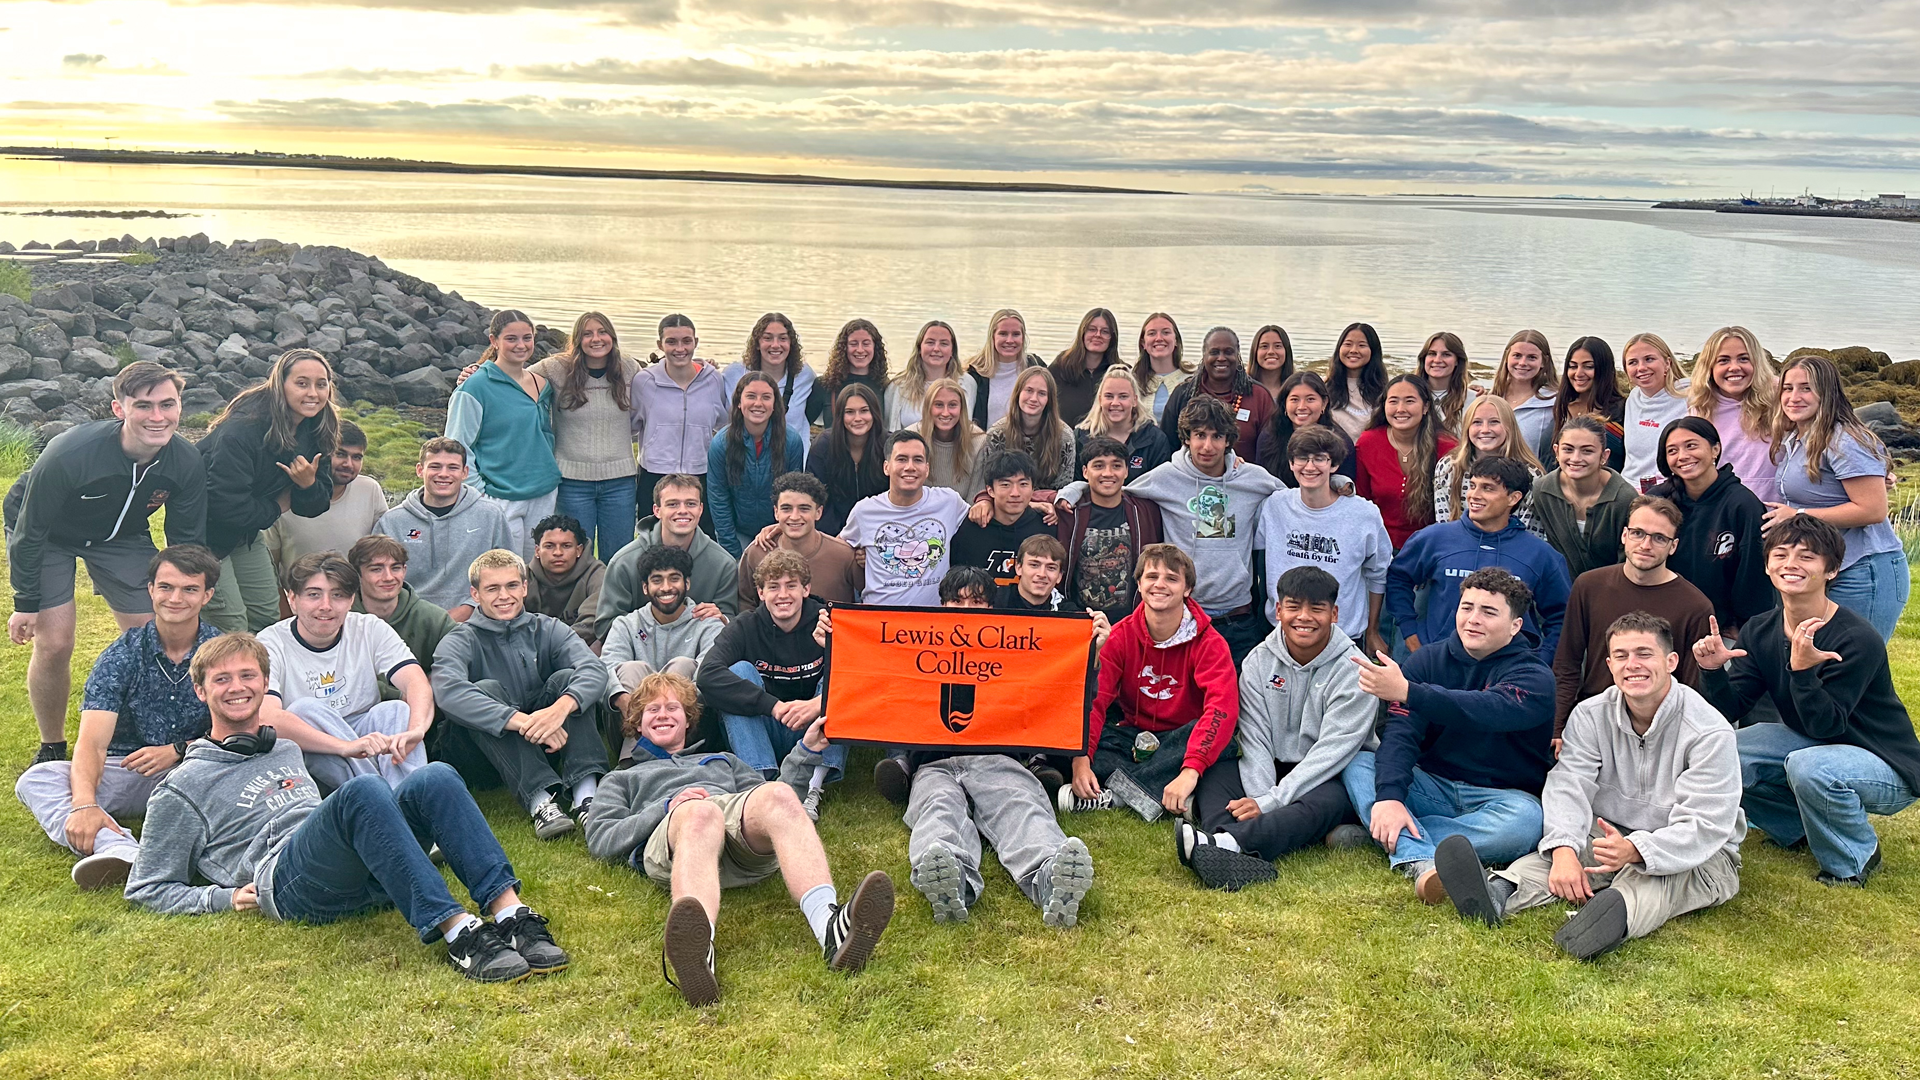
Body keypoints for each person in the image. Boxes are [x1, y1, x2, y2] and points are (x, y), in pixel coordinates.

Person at [126, 633, 570, 984]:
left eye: (248, 676)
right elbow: (146, 886)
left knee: (434, 777)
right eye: (222, 680)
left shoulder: (282, 748)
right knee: (364, 792)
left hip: (361, 872)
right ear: (201, 691)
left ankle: (511, 913)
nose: (237, 687)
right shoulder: (183, 784)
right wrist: (219, 898)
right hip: (290, 884)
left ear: (265, 684)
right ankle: (459, 933)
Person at [1433, 612, 1744, 960]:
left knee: (1659, 879)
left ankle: (1613, 916)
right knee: (1558, 858)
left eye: (1644, 654)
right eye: (1622, 656)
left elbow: (1705, 824)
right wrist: (1564, 849)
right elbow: (1569, 784)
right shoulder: (1590, 715)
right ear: (1609, 665)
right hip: (1608, 833)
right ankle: (1499, 892)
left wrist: (1638, 850)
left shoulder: (1709, 731)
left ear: (1671, 661)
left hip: (1698, 851)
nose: (1632, 665)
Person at [583, 671, 895, 1006]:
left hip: (737, 837)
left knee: (777, 796)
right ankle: (699, 952)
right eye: (652, 709)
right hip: (677, 837)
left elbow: (772, 804)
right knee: (701, 813)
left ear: (688, 720)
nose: (662, 714)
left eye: (672, 708)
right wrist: (665, 807)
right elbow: (601, 837)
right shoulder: (623, 777)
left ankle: (830, 927)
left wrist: (806, 749)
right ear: (637, 724)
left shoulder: (724, 761)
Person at [1696, 515, 1920, 886]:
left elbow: (1827, 724)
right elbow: (1730, 710)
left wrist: (1801, 672)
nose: (1791, 565)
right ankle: (1799, 828)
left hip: (1883, 760)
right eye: (1780, 554)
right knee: (1722, 751)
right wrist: (1712, 671)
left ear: (1831, 570)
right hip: (1815, 743)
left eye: (1807, 557)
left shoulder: (1855, 638)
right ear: (1767, 565)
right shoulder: (1761, 629)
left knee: (1810, 767)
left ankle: (1854, 861)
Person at [6, 362, 205, 766]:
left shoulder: (185, 461)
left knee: (156, 636)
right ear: (119, 409)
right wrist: (26, 601)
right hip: (50, 536)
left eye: (167, 404)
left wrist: (187, 591)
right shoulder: (71, 452)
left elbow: (186, 542)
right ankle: (52, 746)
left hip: (120, 536)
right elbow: (30, 531)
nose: (157, 417)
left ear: (180, 406)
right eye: (144, 406)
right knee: (56, 641)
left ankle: (148, 735)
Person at [1342, 568, 1556, 904]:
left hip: (1501, 798)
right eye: (1466, 607)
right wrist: (1390, 797)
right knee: (1359, 763)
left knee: (1528, 821)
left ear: (1515, 625)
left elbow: (1484, 710)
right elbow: (1401, 734)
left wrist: (1410, 692)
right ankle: (1416, 854)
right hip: (1431, 785)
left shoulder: (1535, 677)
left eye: (1488, 612)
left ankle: (1391, 838)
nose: (1473, 619)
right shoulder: (1427, 660)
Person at [15, 545, 221, 890]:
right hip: (131, 770)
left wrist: (179, 750)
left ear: (207, 595)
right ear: (151, 590)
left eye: (189, 589)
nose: (175, 598)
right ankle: (121, 851)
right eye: (166, 587)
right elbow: (93, 743)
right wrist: (83, 805)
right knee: (37, 780)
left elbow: (243, 731)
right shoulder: (123, 654)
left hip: (199, 769)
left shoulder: (222, 651)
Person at [902, 566, 1097, 927]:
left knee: (1020, 803)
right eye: (956, 601)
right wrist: (835, 642)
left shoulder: (1015, 650)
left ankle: (1052, 876)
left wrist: (1090, 652)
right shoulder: (913, 644)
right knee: (936, 809)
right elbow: (873, 675)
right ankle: (950, 880)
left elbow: (1063, 692)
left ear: (992, 608)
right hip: (933, 761)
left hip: (997, 755)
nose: (966, 609)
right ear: (942, 606)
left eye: (977, 601)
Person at [1177, 567, 1374, 890]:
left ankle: (1225, 843)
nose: (1304, 617)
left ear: (1334, 614)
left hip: (1328, 773)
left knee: (1327, 802)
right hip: (1272, 767)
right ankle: (1233, 847)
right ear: (1278, 610)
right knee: (1216, 775)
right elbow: (1254, 737)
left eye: (1317, 608)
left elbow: (1332, 752)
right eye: (1294, 606)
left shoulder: (1355, 670)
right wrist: (1261, 797)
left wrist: (1271, 802)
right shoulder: (1258, 661)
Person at [1067, 395, 1278, 667]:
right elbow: (1113, 487)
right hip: (1183, 614)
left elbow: (1297, 497)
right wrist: (1074, 489)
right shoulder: (1165, 476)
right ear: (1186, 437)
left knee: (1236, 704)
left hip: (1239, 618)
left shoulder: (1253, 478)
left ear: (1228, 440)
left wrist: (1338, 481)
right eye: (1199, 435)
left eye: (1217, 437)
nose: (1207, 445)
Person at [431, 549, 609, 839]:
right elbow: (449, 693)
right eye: (492, 588)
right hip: (481, 756)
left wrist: (559, 709)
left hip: (546, 745)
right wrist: (522, 721)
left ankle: (587, 797)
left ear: (524, 587)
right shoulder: (459, 639)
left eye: (512, 586)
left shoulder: (548, 627)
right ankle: (542, 804)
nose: (504, 596)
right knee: (485, 690)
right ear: (475, 594)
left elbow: (593, 668)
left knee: (568, 680)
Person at [1065, 544, 1238, 821]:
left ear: (1187, 589)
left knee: (1220, 740)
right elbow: (1096, 700)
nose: (1160, 585)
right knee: (1084, 746)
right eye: (1151, 576)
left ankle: (1122, 794)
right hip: (1135, 738)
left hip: (1181, 738)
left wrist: (1190, 769)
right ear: (1139, 583)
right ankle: (1162, 791)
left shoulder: (1210, 642)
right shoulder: (1120, 635)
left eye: (1171, 578)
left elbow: (1221, 708)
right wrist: (1081, 760)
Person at [256, 552, 432, 793]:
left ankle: (411, 794)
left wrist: (417, 730)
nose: (326, 606)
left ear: (351, 601)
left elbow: (416, 682)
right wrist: (344, 746)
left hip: (364, 730)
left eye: (337, 595)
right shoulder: (270, 642)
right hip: (313, 745)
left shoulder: (369, 627)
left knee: (396, 709)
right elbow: (268, 717)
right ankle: (384, 796)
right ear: (292, 599)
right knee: (304, 709)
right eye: (313, 595)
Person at [1767, 353, 1908, 640]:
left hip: (1863, 570)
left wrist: (1798, 516)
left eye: (1806, 388)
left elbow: (1872, 510)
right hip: (1824, 568)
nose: (1794, 396)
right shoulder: (1796, 438)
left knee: (1855, 665)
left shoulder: (1844, 439)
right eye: (1788, 388)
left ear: (1827, 392)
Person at [695, 551, 844, 820]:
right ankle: (759, 784)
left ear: (806, 589)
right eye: (773, 587)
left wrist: (817, 704)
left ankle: (812, 787)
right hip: (766, 725)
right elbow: (707, 675)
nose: (782, 595)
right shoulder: (746, 626)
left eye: (791, 585)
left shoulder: (828, 622)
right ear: (761, 593)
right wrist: (772, 706)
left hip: (811, 727)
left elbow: (862, 680)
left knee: (835, 685)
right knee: (738, 672)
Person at [1552, 497, 1714, 742]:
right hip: (1594, 719)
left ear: (1673, 546)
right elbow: (1567, 663)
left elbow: (1691, 689)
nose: (1646, 545)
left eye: (1659, 538)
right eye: (1638, 533)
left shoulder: (1696, 606)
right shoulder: (1588, 586)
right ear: (1624, 535)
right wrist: (1558, 727)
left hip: (1658, 728)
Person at [198, 348, 338, 633]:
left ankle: (264, 677)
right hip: (202, 537)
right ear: (280, 385)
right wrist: (277, 506)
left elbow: (315, 504)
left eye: (321, 384)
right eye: (302, 383)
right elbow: (224, 506)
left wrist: (307, 485)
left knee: (266, 617)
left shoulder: (317, 429)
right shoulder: (242, 430)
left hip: (246, 534)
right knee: (231, 624)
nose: (313, 393)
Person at [1385, 456, 1570, 664]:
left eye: (1487, 488)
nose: (1474, 495)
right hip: (1440, 668)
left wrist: (1539, 661)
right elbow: (1398, 578)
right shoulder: (1434, 538)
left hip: (1507, 675)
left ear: (1513, 498)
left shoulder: (1540, 554)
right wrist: (1411, 635)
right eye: (1472, 485)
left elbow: (1562, 616)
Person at [1254, 426, 1391, 658]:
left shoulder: (1364, 514)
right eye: (1302, 458)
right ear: (1291, 463)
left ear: (1334, 465)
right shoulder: (1273, 506)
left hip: (1344, 638)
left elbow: (1377, 574)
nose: (1309, 467)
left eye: (1319, 459)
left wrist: (1373, 631)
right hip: (1283, 636)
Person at [446, 309, 561, 557]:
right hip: (502, 496)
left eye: (527, 338)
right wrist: (480, 496)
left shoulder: (542, 384)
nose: (521, 345)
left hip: (545, 493)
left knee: (538, 573)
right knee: (507, 573)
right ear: (494, 341)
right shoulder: (475, 387)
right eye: (511, 338)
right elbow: (457, 446)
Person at [1646, 417, 1774, 637]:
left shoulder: (1743, 505)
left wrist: (1745, 625)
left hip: (1722, 629)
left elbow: (1753, 574)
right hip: (1661, 621)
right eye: (1672, 450)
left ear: (1715, 449)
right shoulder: (1657, 501)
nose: (1683, 456)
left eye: (1691, 446)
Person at [531, 311, 642, 560]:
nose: (596, 339)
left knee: (618, 557)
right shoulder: (555, 368)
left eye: (602, 332)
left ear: (612, 336)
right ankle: (581, 600)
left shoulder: (629, 368)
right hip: (572, 483)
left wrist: (701, 367)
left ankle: (615, 600)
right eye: (588, 334)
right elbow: (513, 377)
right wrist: (475, 371)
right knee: (575, 556)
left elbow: (663, 381)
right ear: (577, 339)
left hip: (620, 483)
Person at [603, 544, 726, 763]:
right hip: (632, 722)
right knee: (631, 669)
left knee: (683, 666)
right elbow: (606, 668)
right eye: (657, 580)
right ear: (645, 587)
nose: (666, 587)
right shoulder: (626, 624)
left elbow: (712, 673)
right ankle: (638, 759)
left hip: (691, 729)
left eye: (674, 578)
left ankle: (658, 761)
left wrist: (666, 708)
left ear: (687, 583)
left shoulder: (707, 622)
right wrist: (625, 700)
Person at [375, 438, 513, 622]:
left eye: (453, 468)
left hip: (476, 619)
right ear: (419, 470)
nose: (443, 474)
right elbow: (375, 578)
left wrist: (471, 608)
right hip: (408, 619)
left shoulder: (490, 515)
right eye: (435, 466)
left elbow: (508, 572)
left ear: (465, 472)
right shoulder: (392, 522)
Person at [596, 474, 740, 641]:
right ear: (657, 510)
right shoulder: (624, 562)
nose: (683, 511)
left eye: (691, 504)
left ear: (701, 509)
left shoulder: (723, 564)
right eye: (672, 504)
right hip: (638, 656)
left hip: (698, 654)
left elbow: (730, 622)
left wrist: (721, 618)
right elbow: (605, 625)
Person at [840, 431, 972, 608]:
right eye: (901, 459)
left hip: (933, 623)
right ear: (886, 467)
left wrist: (984, 500)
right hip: (878, 621)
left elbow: (981, 519)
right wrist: (858, 558)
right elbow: (836, 552)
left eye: (917, 460)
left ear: (927, 468)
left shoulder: (949, 502)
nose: (910, 467)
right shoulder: (864, 511)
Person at [630, 313, 728, 535]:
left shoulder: (713, 380)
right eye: (671, 342)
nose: (680, 348)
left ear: (696, 342)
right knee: (652, 542)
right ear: (660, 345)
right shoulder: (644, 381)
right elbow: (632, 424)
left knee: (700, 542)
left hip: (700, 472)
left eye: (686, 341)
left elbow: (723, 422)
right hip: (655, 473)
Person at [1055, 435, 1164, 624]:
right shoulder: (1069, 510)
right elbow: (1025, 498)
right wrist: (985, 499)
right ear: (1085, 472)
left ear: (1126, 471)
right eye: (1098, 466)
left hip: (1131, 622)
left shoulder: (1146, 510)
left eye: (1116, 465)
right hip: (1079, 621)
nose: (1108, 473)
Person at [261, 419, 388, 576]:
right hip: (300, 597)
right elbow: (268, 568)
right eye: (340, 454)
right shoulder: (282, 498)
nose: (348, 464)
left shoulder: (370, 489)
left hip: (355, 597)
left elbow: (383, 554)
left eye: (357, 457)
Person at [346, 535, 456, 706]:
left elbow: (459, 662)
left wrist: (425, 688)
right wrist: (397, 696)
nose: (388, 577)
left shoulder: (434, 618)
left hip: (427, 708)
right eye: (376, 569)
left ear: (404, 570)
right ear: (357, 574)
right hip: (356, 711)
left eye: (395, 568)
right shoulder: (340, 621)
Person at [1352, 373, 1458, 550]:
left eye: (1409, 401)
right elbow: (1360, 502)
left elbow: (1454, 511)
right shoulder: (1368, 442)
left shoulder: (1449, 449)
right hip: (1379, 546)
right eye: (1393, 401)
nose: (1400, 409)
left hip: (1431, 548)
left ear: (1425, 407)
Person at [709, 371, 807, 558]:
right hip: (738, 532)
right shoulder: (721, 444)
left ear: (774, 405)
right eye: (751, 396)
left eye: (766, 397)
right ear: (739, 402)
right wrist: (733, 550)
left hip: (778, 531)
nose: (758, 403)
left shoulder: (792, 441)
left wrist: (780, 533)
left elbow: (794, 495)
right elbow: (718, 498)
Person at [1531, 416, 1639, 579]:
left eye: (1587, 451)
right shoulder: (1543, 491)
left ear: (1604, 456)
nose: (1575, 458)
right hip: (1564, 590)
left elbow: (1628, 561)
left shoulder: (1625, 499)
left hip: (1612, 590)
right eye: (1568, 449)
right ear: (1556, 451)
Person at [737, 472, 864, 610]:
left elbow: (871, 597)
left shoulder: (844, 555)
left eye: (804, 508)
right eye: (786, 509)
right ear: (776, 512)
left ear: (818, 512)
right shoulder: (757, 552)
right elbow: (745, 604)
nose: (795, 516)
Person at [1689, 326, 1780, 502]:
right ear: (1710, 367)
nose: (1734, 367)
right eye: (1723, 360)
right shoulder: (1701, 405)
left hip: (1776, 510)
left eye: (1743, 359)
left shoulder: (1780, 395)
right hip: (1725, 507)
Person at [1432, 395, 1545, 537]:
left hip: (1511, 551)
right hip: (1459, 548)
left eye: (1494, 422)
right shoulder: (1448, 466)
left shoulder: (1531, 475)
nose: (1485, 429)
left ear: (1509, 427)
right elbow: (1444, 525)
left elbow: (1531, 532)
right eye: (1477, 422)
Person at [1160, 326, 1276, 465]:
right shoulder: (1184, 393)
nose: (1221, 358)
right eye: (1214, 352)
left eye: (1228, 352)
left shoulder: (1259, 396)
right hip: (1189, 480)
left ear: (1238, 355)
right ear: (1204, 356)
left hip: (1244, 481)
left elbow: (1271, 451)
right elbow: (1167, 446)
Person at [953, 450, 1056, 589]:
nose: (1015, 493)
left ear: (1033, 489)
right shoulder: (970, 526)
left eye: (1023, 484)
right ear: (990, 490)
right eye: (1005, 485)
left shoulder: (1047, 525)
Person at [979, 366, 1076, 494]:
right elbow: (989, 483)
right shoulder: (996, 434)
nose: (1034, 399)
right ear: (1018, 393)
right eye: (1029, 390)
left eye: (1041, 393)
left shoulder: (1064, 437)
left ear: (1049, 400)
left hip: (1049, 507)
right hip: (1006, 503)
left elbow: (1064, 488)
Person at [807, 383, 888, 536]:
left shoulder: (889, 445)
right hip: (833, 535)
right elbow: (815, 497)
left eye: (864, 411)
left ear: (875, 413)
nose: (858, 418)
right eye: (850, 412)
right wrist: (841, 539)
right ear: (840, 416)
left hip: (880, 533)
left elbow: (894, 497)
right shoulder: (823, 446)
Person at [1256, 370, 1357, 488]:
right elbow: (1261, 481)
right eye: (1294, 399)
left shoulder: (1341, 442)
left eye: (1310, 399)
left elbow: (1345, 487)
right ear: (1284, 404)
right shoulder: (1268, 437)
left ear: (1324, 403)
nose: (1302, 407)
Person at [1074, 364, 1171, 484]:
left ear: (1135, 400)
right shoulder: (1081, 437)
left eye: (1123, 396)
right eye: (1109, 396)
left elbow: (1161, 487)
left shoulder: (1155, 439)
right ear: (1100, 400)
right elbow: (1074, 484)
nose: (1115, 403)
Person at [722, 312, 815, 436]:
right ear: (757, 344)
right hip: (743, 452)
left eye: (783, 338)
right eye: (768, 338)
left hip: (793, 453)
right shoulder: (733, 374)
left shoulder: (804, 375)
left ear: (791, 343)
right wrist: (702, 366)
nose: (775, 345)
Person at [1621, 332, 1690, 493]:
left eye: (1649, 359)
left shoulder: (1690, 395)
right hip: (1629, 487)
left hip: (1671, 490)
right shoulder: (1633, 398)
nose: (1641, 368)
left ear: (1667, 363)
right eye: (1633, 362)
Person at [1547, 335, 1626, 470]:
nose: (1578, 373)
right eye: (1573, 366)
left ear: (1604, 369)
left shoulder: (1621, 410)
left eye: (1588, 367)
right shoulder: (1561, 408)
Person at [526, 514, 605, 647]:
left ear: (579, 550)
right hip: (534, 648)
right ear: (537, 551)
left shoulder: (596, 573)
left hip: (581, 647)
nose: (558, 553)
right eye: (549, 546)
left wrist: (556, 645)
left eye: (566, 546)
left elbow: (593, 620)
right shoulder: (523, 577)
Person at [1477, 330, 1558, 459]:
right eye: (1517, 355)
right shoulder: (1491, 398)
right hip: (1486, 476)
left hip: (1531, 476)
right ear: (1507, 357)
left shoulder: (1554, 402)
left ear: (1544, 361)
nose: (1522, 363)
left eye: (1532, 357)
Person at [965, 308, 1044, 429]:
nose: (1009, 340)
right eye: (1003, 334)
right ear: (992, 336)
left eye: (1016, 334)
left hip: (1027, 445)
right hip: (984, 444)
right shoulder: (974, 373)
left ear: (1023, 337)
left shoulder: (1035, 366)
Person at [885, 320, 970, 431]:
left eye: (944, 343)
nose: (936, 349)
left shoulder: (967, 383)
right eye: (930, 342)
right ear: (920, 348)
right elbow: (887, 429)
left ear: (952, 351)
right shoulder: (898, 386)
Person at [810, 318, 889, 428]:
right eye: (853, 344)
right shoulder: (825, 385)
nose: (860, 350)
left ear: (875, 347)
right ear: (844, 347)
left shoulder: (885, 386)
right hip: (835, 445)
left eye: (866, 344)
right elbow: (803, 423)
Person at [1049, 307, 1122, 426]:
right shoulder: (1061, 366)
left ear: (1112, 337)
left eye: (1105, 331)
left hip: (1106, 441)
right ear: (1082, 333)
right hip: (1063, 440)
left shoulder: (1118, 371)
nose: (1097, 335)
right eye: (1092, 329)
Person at [917, 379, 985, 495]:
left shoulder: (979, 441)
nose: (945, 413)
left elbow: (975, 496)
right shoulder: (913, 438)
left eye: (952, 405)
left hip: (965, 511)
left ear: (962, 408)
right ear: (928, 408)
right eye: (938, 405)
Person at [1325, 321, 1387, 442]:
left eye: (1362, 345)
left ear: (1373, 351)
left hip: (1369, 454)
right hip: (1335, 455)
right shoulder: (1324, 388)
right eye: (1348, 344)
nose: (1353, 350)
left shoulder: (1385, 390)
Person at [1132, 312, 1191, 421]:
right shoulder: (1132, 380)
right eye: (1152, 333)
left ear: (1176, 340)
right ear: (1143, 343)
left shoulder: (1192, 378)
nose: (1159, 338)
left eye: (1166, 332)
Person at [1418, 331, 1473, 433]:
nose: (1437, 360)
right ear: (1424, 359)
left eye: (1446, 354)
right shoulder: (1409, 394)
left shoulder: (1473, 400)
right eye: (1432, 354)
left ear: (1457, 361)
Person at [1248, 323, 1296, 406]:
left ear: (1287, 352)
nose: (1271, 352)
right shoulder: (1241, 387)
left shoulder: (1297, 387)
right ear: (1255, 352)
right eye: (1264, 346)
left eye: (1277, 346)